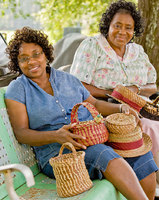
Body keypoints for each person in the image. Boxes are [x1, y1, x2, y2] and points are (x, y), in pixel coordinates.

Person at [4, 26, 157, 200]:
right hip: (59, 154)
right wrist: (56, 136)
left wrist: (121, 108)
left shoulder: (68, 79)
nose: (31, 61)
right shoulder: (18, 89)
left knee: (138, 152)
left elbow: (95, 104)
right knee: (103, 154)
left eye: (36, 54)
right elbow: (22, 133)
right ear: (17, 63)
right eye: (23, 58)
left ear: (45, 54)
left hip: (92, 138)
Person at [70, 0, 159, 167]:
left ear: (134, 30)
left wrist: (134, 89)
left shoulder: (137, 51)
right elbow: (77, 85)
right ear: (108, 25)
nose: (122, 32)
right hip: (106, 108)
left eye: (128, 27)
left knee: (152, 122)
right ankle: (150, 177)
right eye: (117, 25)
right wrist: (114, 93)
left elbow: (153, 86)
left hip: (141, 107)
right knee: (148, 126)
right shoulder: (93, 46)